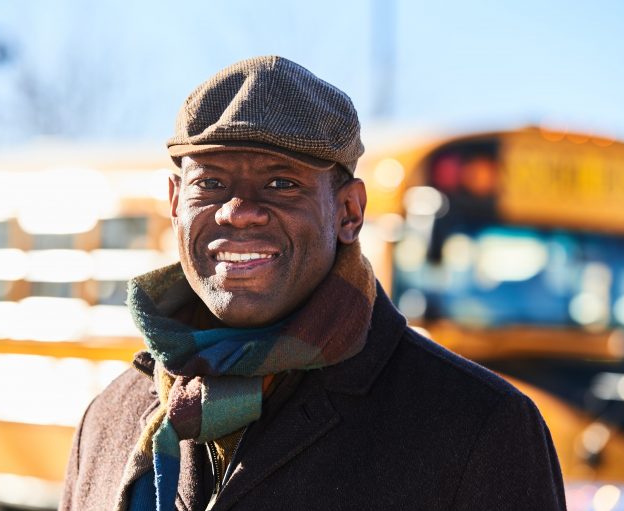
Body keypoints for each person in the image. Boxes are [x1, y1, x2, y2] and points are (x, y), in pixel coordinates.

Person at [60, 55, 566, 511]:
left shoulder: (477, 427)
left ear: (349, 212)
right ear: (174, 203)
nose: (238, 213)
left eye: (282, 184)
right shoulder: (109, 419)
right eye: (209, 183)